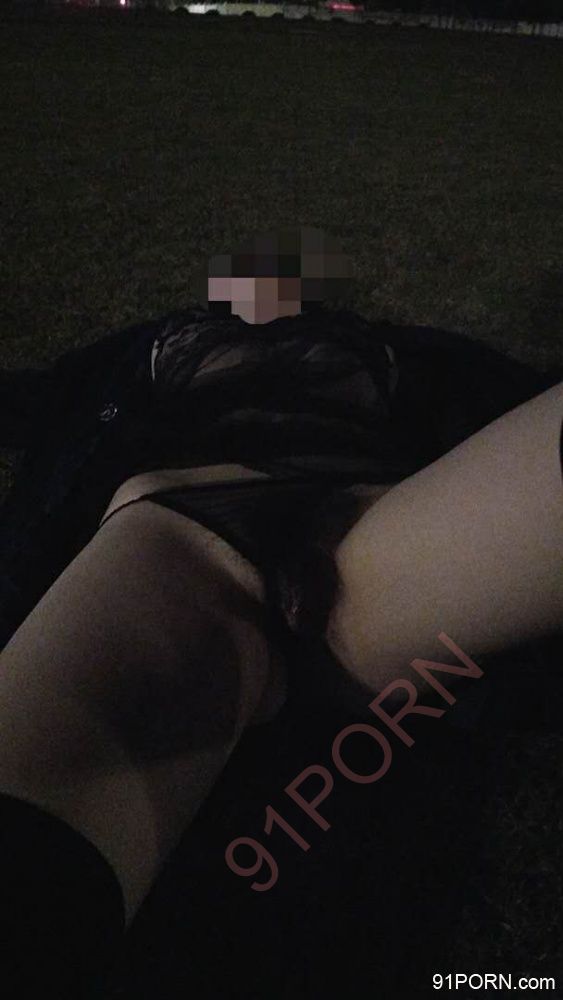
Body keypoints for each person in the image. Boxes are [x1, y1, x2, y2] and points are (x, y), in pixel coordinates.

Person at [0, 225, 561, 995]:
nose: (270, 278)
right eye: (251, 270)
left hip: (368, 532)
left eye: (290, 273)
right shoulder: (155, 342)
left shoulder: (391, 346)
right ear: (218, 292)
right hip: (186, 536)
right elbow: (42, 398)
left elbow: (504, 401)